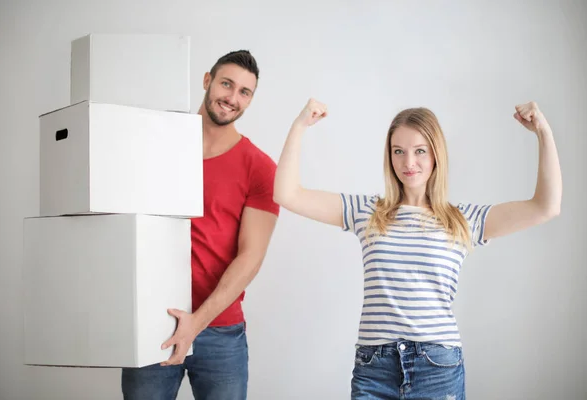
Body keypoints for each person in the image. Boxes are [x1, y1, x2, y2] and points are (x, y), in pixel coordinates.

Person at [273, 98, 562, 399]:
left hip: (436, 367)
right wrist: (299, 126)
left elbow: (546, 206)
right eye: (398, 152)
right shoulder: (367, 212)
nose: (408, 163)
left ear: (436, 155)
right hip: (375, 368)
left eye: (419, 151)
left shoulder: (463, 220)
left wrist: (543, 132)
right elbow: (287, 193)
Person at [122, 50, 280, 400]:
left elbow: (250, 257)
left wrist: (197, 321)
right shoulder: (156, 145)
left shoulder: (261, 168)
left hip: (220, 331)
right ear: (207, 81)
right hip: (153, 320)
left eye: (244, 92)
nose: (232, 98)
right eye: (227, 84)